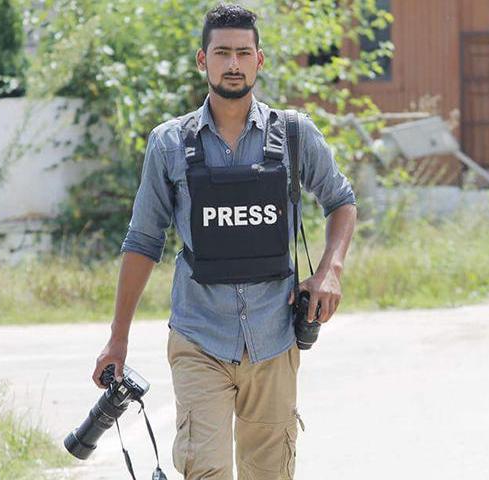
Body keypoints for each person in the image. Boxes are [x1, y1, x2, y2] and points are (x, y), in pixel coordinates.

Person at [92, 3, 357, 479]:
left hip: (274, 338)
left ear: (260, 60)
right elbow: (142, 241)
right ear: (202, 60)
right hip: (198, 337)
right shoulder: (169, 144)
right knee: (205, 470)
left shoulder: (295, 135)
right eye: (222, 53)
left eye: (242, 53)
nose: (233, 64)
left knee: (269, 473)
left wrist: (329, 270)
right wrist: (117, 340)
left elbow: (341, 201)